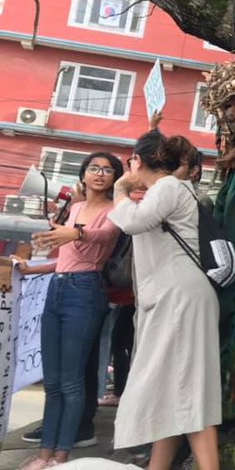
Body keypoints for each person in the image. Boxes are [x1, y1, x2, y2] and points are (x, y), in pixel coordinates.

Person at [108, 132, 221, 470]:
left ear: (136, 161)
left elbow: (131, 221)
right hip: (177, 297)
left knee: (189, 390)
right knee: (171, 390)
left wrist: (119, 189)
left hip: (179, 299)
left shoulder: (169, 187)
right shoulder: (167, 190)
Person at [14, 153, 123, 470]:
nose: (100, 174)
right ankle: (45, 453)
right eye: (94, 168)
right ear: (84, 174)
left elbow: (106, 237)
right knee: (54, 381)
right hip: (58, 289)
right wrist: (30, 268)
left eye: (107, 170)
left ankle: (61, 455)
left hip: (86, 291)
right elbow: (64, 261)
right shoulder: (75, 207)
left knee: (72, 381)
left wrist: (75, 233)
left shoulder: (115, 210)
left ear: (115, 177)